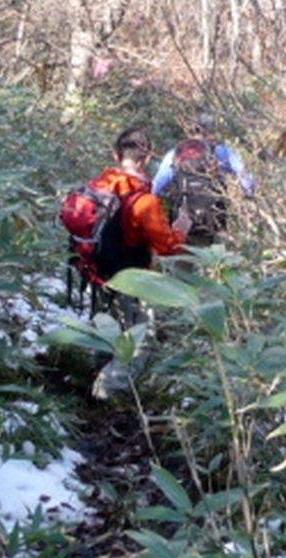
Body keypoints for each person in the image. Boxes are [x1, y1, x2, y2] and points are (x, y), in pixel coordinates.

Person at [85, 126, 191, 399]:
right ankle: (108, 392)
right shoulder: (145, 201)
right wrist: (181, 228)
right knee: (140, 338)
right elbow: (167, 248)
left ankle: (95, 374)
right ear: (146, 159)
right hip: (134, 279)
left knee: (104, 324)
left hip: (96, 271)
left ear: (115, 154)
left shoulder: (95, 187)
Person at [151, 115, 256, 245]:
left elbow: (155, 189)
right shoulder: (222, 152)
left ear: (189, 132)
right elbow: (246, 179)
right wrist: (248, 196)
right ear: (210, 131)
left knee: (183, 259)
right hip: (215, 223)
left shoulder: (175, 155)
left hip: (183, 224)